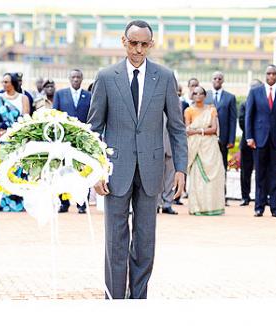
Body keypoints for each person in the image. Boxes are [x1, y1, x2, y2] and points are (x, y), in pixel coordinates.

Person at [87, 20, 187, 299]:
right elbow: (93, 129)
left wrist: (180, 168)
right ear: (124, 42)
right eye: (133, 43)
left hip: (151, 171)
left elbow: (177, 127)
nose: (138, 49)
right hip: (115, 172)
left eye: (144, 44)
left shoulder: (165, 77)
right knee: (115, 242)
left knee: (145, 243)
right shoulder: (106, 77)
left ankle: (138, 302)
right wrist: (95, 170)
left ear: (151, 45)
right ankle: (115, 300)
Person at [245, 64, 276, 218]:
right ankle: (259, 207)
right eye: (268, 73)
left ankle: (274, 208)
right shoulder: (255, 92)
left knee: (275, 175)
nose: (271, 76)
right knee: (260, 174)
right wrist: (249, 137)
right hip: (259, 140)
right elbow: (249, 116)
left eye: (274, 74)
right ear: (265, 75)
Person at [0, 73, 30, 212]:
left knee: (16, 168)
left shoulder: (23, 98)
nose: (3, 84)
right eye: (2, 81)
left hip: (16, 139)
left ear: (13, 83)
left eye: (6, 82)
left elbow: (26, 118)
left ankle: (15, 201)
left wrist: (14, 132)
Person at [53, 68, 91, 214]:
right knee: (63, 171)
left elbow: (91, 116)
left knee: (83, 171)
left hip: (82, 140)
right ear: (69, 78)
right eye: (73, 77)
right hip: (64, 140)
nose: (76, 79)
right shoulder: (60, 94)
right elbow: (55, 115)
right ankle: (64, 202)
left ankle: (82, 203)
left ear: (82, 79)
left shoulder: (88, 95)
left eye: (78, 77)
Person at [185, 86, 225, 215]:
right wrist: (201, 131)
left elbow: (213, 129)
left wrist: (198, 131)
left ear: (205, 95)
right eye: (195, 93)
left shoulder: (211, 110)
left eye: (200, 93)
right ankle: (197, 208)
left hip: (210, 148)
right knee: (197, 178)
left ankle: (212, 207)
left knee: (214, 177)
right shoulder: (188, 111)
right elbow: (187, 130)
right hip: (195, 147)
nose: (198, 96)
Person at [205, 71, 237, 206]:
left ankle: (221, 196)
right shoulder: (205, 96)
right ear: (211, 80)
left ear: (223, 81)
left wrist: (230, 139)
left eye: (219, 78)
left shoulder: (230, 97)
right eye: (215, 78)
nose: (217, 80)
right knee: (208, 168)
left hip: (223, 140)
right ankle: (207, 196)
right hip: (207, 140)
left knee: (222, 168)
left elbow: (232, 120)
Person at [238, 79, 263, 206]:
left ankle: (262, 197)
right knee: (245, 171)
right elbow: (242, 122)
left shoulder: (265, 104)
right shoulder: (244, 104)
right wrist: (251, 137)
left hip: (262, 142)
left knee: (262, 171)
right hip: (247, 142)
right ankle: (245, 197)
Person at [157, 115, 177, 215]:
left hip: (171, 145)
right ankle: (156, 204)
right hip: (156, 147)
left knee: (170, 177)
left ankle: (167, 204)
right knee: (156, 177)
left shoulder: (176, 105)